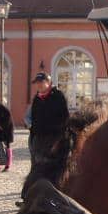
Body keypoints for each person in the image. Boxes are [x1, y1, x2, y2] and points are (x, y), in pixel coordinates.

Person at [20, 72, 69, 201]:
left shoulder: (58, 96)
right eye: (37, 83)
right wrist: (32, 129)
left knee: (51, 166)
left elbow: (64, 117)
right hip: (38, 137)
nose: (39, 86)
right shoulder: (37, 98)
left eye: (41, 83)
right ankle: (29, 196)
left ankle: (53, 194)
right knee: (36, 165)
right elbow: (34, 118)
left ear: (48, 83)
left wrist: (59, 137)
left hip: (54, 137)